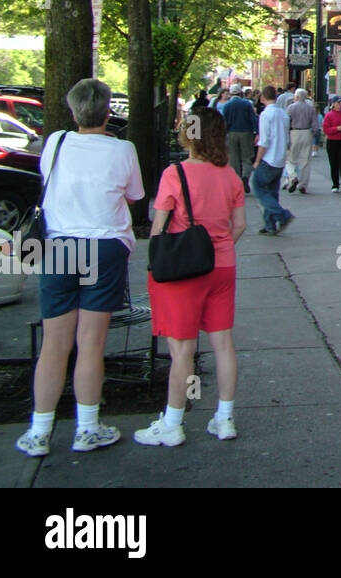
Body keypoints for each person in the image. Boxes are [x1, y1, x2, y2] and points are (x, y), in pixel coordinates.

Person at [15, 78, 145, 457]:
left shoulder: (54, 142)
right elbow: (135, 195)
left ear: (73, 111)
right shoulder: (124, 149)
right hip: (105, 247)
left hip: (60, 246)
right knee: (91, 342)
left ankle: (39, 431)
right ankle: (87, 427)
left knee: (54, 343)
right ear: (109, 112)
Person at [135, 109, 246, 446]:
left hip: (183, 271)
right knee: (223, 344)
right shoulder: (230, 175)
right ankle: (224, 419)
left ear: (190, 134)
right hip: (222, 266)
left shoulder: (175, 173)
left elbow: (158, 226)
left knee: (182, 350)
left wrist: (157, 262)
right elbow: (239, 224)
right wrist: (218, 247)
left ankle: (172, 424)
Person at [250, 85, 293, 235]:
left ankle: (282, 215)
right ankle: (270, 223)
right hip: (280, 156)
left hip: (269, 158)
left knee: (258, 187)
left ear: (262, 98)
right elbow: (287, 137)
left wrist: (257, 160)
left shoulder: (265, 115)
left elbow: (264, 140)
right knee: (271, 191)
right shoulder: (283, 114)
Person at [221, 84, 258, 193]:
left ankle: (237, 181)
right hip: (246, 132)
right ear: (240, 93)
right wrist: (256, 132)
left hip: (231, 133)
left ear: (231, 93)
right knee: (247, 157)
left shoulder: (227, 106)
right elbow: (253, 118)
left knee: (234, 158)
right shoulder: (247, 104)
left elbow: (224, 122)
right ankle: (245, 176)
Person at [284, 87, 320, 193]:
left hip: (294, 133)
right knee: (305, 160)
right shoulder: (310, 108)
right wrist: (314, 134)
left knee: (290, 159)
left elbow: (287, 122)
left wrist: (286, 135)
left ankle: (293, 176)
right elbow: (315, 125)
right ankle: (303, 184)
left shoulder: (290, 107)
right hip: (306, 133)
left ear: (297, 97)